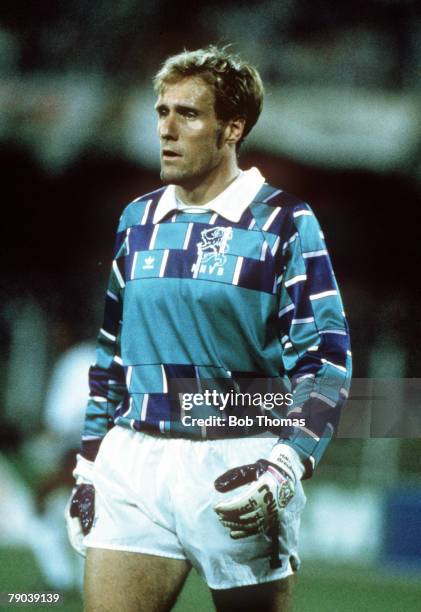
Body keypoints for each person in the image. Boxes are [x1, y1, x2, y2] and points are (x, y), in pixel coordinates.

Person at [66, 45, 352, 611]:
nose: (166, 129)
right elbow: (111, 357)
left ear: (232, 128)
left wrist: (287, 461)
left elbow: (325, 362)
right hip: (135, 464)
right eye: (161, 112)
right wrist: (90, 463)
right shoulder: (138, 220)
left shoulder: (283, 223)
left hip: (237, 464)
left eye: (188, 114)